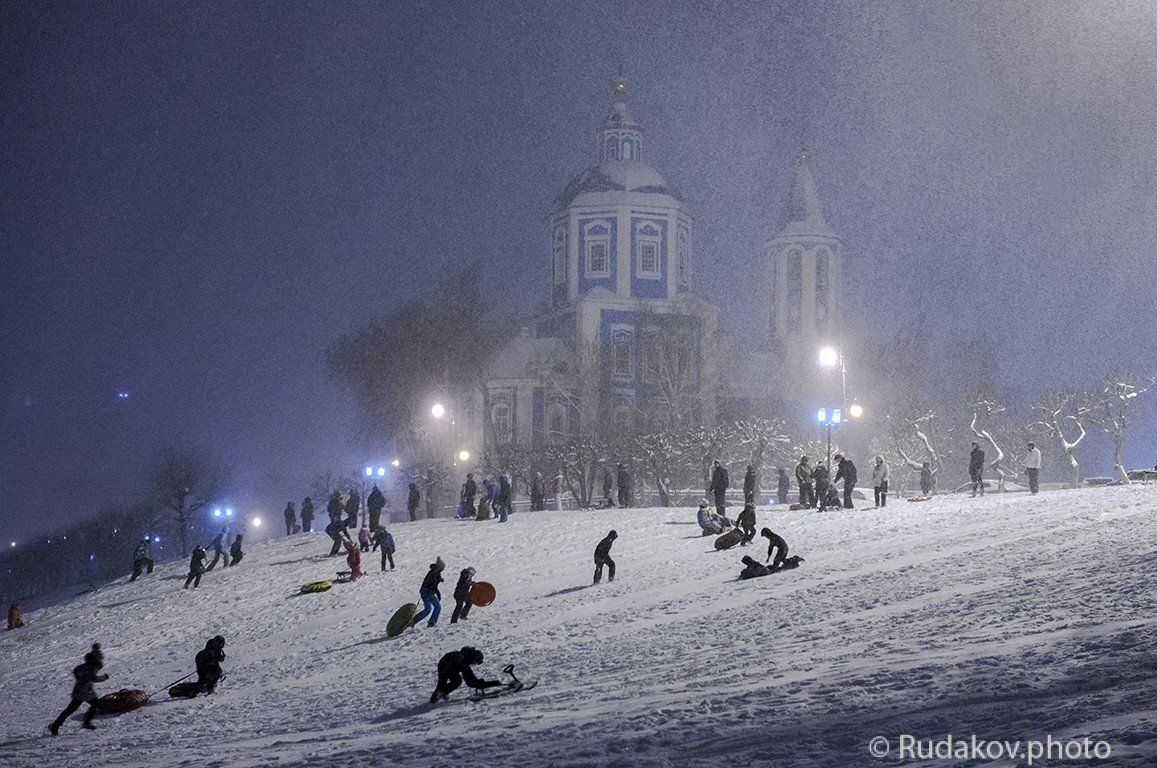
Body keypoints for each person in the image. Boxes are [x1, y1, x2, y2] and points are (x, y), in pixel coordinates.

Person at [49, 643, 108, 734]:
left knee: (70, 709)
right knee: (96, 704)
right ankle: (86, 722)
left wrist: (81, 679)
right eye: (101, 659)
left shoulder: (82, 666)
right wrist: (103, 677)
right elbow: (93, 678)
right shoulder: (94, 666)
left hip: (79, 690)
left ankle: (55, 725)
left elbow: (76, 670)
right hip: (87, 692)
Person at [429, 646, 501, 704]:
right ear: (475, 658)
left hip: (450, 666)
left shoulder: (465, 662)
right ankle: (435, 699)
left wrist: (487, 683)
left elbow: (471, 682)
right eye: (476, 662)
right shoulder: (463, 658)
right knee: (450, 682)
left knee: (456, 682)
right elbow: (471, 681)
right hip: (445, 665)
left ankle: (440, 695)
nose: (474, 664)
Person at [411, 557, 446, 628]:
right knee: (436, 607)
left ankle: (414, 621)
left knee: (428, 609)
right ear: (440, 567)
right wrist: (437, 591)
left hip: (427, 592)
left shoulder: (436, 572)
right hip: (427, 593)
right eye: (442, 568)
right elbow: (432, 584)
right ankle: (431, 622)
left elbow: (434, 584)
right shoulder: (433, 573)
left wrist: (439, 580)